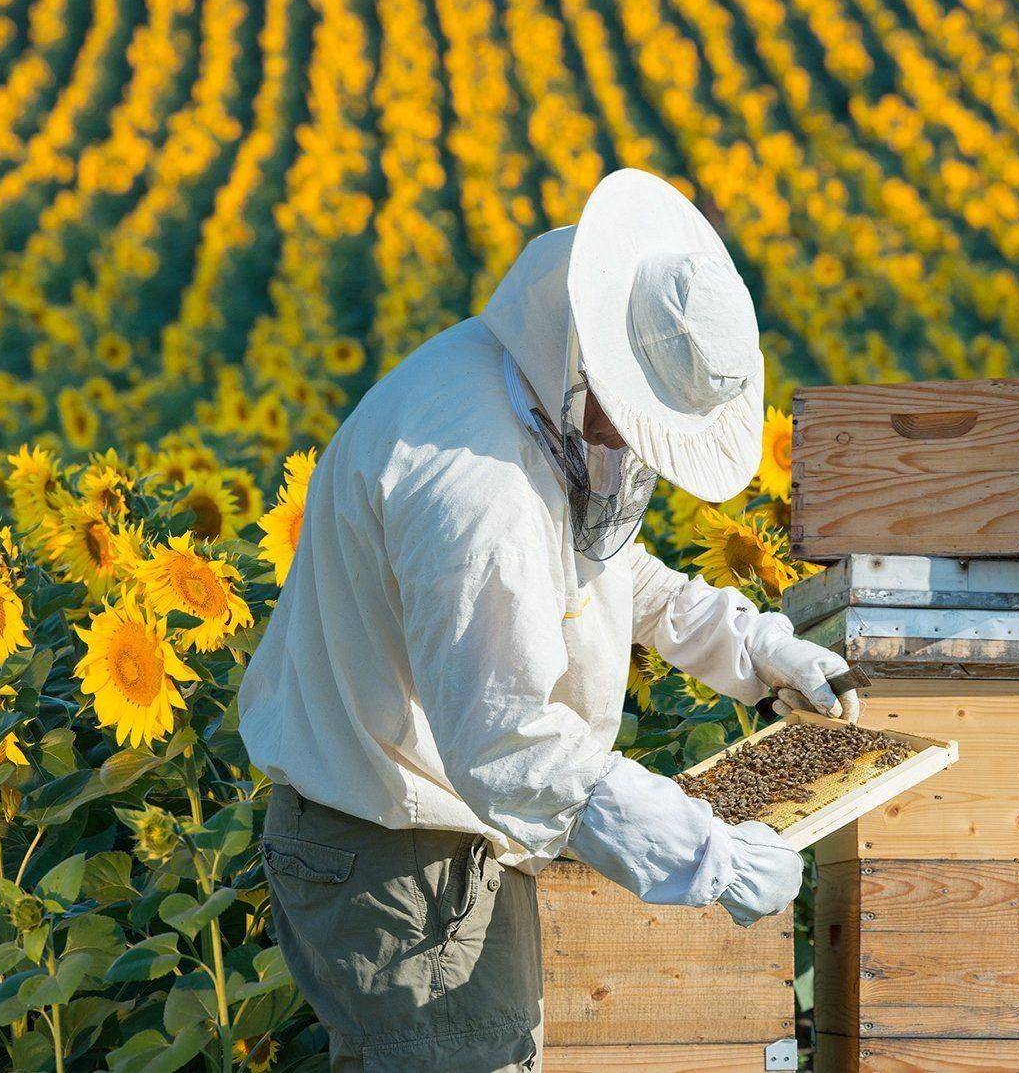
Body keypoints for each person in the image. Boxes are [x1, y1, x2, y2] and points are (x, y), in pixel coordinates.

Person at [238, 169, 860, 1072]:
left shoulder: (522, 390)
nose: (632, 448)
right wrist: (705, 856)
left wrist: (753, 646)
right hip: (401, 861)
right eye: (636, 422)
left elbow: (604, 575)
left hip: (426, 843)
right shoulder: (473, 484)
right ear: (597, 359)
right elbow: (511, 743)